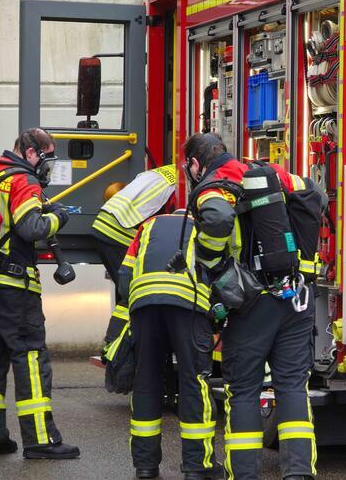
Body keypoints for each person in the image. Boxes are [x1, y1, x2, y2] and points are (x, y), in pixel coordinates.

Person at [186, 133, 323, 480]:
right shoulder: (270, 172)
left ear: (195, 163)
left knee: (244, 390)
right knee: (292, 385)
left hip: (249, 305)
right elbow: (315, 194)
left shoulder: (216, 184)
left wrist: (211, 263)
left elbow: (216, 220)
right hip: (294, 298)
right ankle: (298, 474)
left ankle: (245, 474)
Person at [0, 128, 79, 459]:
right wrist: (57, 217)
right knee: (30, 357)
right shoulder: (24, 181)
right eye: (46, 157)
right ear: (31, 153)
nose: (47, 166)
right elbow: (31, 228)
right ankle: (41, 441)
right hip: (15, 286)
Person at [117, 209, 219, 479]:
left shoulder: (148, 226)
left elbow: (124, 275)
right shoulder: (203, 228)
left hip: (144, 304)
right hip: (188, 306)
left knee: (147, 382)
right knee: (193, 381)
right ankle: (197, 467)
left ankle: (145, 465)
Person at [92, 164, 177, 351]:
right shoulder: (178, 181)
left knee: (127, 289)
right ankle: (116, 347)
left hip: (104, 223)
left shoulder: (160, 173)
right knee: (135, 291)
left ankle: (122, 345)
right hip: (119, 232)